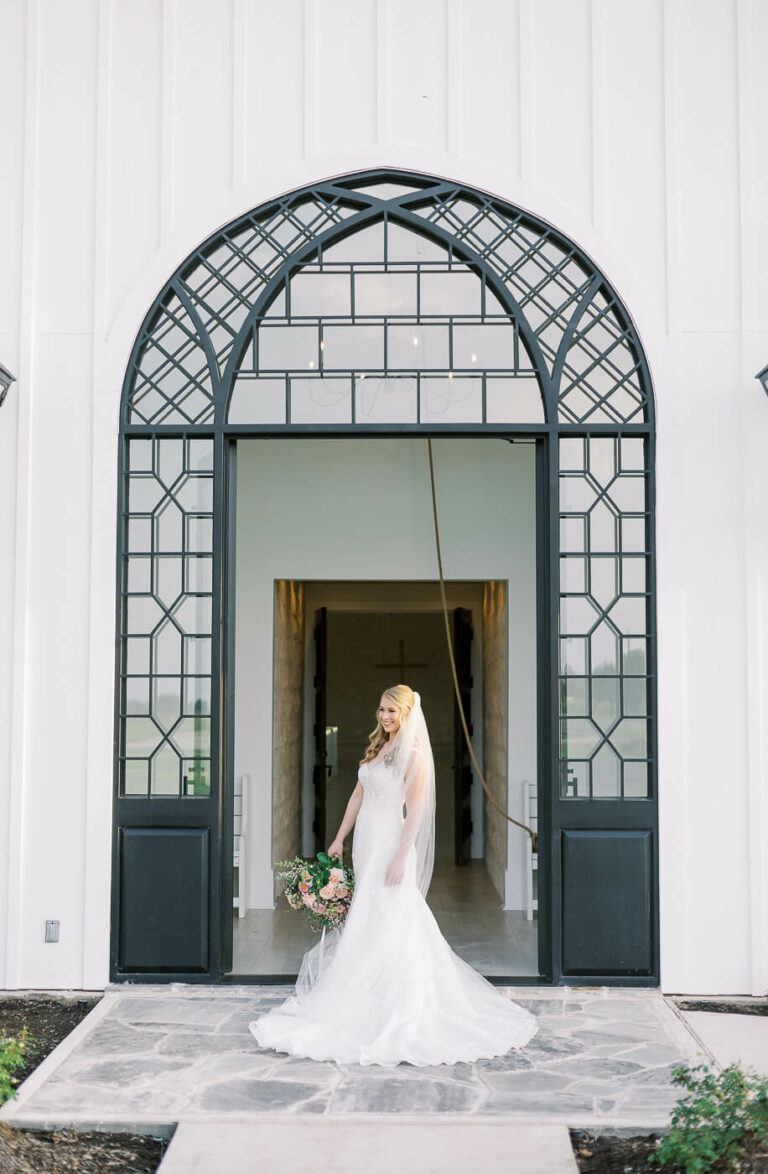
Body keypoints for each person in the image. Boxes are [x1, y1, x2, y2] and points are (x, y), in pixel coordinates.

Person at [249, 685, 537, 1066]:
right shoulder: (377, 749)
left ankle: (398, 998)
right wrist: (338, 838)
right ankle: (362, 992)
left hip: (390, 844)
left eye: (391, 711)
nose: (384, 717)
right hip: (366, 845)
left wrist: (401, 857)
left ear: (405, 713)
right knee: (368, 914)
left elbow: (415, 811)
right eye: (381, 710)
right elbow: (357, 796)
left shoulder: (413, 756)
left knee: (393, 914)